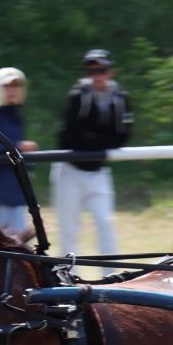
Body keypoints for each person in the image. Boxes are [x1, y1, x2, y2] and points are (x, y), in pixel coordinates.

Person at [54, 49, 131, 257]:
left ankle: (111, 276)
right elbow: (69, 135)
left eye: (102, 70)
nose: (97, 75)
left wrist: (93, 139)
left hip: (98, 170)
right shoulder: (77, 96)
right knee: (69, 229)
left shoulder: (120, 98)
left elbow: (122, 136)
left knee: (105, 224)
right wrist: (100, 140)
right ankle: (66, 278)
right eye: (92, 70)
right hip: (70, 170)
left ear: (111, 72)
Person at [0, 67, 40, 240]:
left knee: (17, 242)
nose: (12, 90)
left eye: (16, 86)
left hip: (12, 190)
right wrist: (18, 146)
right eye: (7, 86)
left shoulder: (14, 114)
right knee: (6, 244)